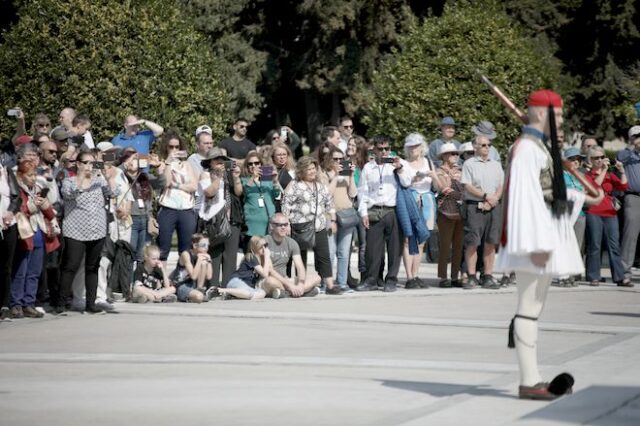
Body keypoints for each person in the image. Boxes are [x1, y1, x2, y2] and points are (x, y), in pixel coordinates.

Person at [496, 89, 604, 400]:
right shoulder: (527, 149)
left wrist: (583, 196)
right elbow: (524, 198)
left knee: (534, 307)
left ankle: (532, 378)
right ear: (541, 114)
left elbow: (549, 192)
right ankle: (530, 381)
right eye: (556, 116)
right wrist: (535, 242)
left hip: (543, 229)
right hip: (534, 235)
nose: (560, 121)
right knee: (528, 308)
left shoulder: (538, 147)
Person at [59, 150, 115, 314]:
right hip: (75, 230)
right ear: (78, 164)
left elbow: (113, 193)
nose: (90, 166)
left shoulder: (99, 181)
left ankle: (91, 304)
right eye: (86, 163)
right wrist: (82, 176)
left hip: (96, 230)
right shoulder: (69, 181)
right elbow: (70, 195)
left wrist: (106, 175)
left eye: (92, 163)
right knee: (71, 266)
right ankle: (61, 303)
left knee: (93, 267)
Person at [282, 156, 343, 295]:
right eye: (308, 169)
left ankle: (330, 285)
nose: (312, 171)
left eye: (313, 168)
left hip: (319, 226)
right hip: (300, 225)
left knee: (324, 256)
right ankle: (301, 285)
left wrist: (332, 220)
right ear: (301, 171)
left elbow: (329, 203)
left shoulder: (321, 186)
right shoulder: (295, 185)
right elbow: (286, 204)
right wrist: (287, 224)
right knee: (300, 257)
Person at [10, 161, 60, 318]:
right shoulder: (18, 191)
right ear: (20, 175)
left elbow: (50, 214)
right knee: (20, 271)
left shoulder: (37, 189)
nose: (32, 178)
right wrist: (32, 207)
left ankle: (29, 302)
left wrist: (45, 205)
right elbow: (19, 211)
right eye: (29, 175)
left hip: (40, 233)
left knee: (34, 272)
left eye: (34, 175)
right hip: (25, 234)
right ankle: (16, 303)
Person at [356, 136, 403, 292]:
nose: (384, 152)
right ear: (374, 150)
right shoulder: (368, 168)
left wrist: (400, 168)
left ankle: (391, 279)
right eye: (380, 149)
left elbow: (408, 182)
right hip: (374, 209)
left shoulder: (396, 165)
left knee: (394, 249)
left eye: (387, 149)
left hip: (392, 210)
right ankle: (372, 279)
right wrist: (363, 213)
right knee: (372, 249)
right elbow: (362, 192)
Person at [396, 133, 440, 289]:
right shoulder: (404, 163)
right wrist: (413, 180)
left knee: (421, 240)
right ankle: (409, 277)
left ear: (422, 147)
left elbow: (437, 187)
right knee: (409, 239)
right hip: (410, 199)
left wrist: (434, 176)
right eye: (410, 146)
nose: (413, 149)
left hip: (427, 201)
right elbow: (404, 184)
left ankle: (416, 275)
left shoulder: (429, 162)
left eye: (416, 146)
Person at [461, 134, 504, 290]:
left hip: (493, 206)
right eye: (484, 145)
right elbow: (467, 185)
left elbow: (500, 185)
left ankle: (487, 275)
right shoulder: (469, 164)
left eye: (489, 145)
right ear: (475, 147)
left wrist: (493, 200)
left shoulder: (496, 164)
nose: (487, 148)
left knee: (490, 242)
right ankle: (472, 275)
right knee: (472, 241)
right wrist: (485, 197)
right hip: (475, 206)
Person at [584, 146, 630, 286]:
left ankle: (619, 277)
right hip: (594, 212)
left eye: (601, 157)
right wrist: (604, 170)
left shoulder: (610, 175)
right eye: (596, 158)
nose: (599, 160)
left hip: (610, 213)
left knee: (614, 246)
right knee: (595, 245)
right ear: (590, 160)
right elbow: (594, 187)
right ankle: (593, 276)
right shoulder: (587, 175)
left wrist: (622, 171)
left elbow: (623, 186)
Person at [199, 147, 243, 287]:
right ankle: (212, 286)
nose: (220, 162)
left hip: (231, 218)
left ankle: (227, 287)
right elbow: (209, 192)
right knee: (215, 254)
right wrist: (218, 178)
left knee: (230, 256)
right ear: (210, 162)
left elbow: (239, 192)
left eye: (222, 159)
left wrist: (236, 178)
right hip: (214, 220)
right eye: (216, 160)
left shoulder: (229, 174)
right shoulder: (205, 175)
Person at [156, 131, 198, 263]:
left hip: (186, 208)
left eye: (177, 147)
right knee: (163, 248)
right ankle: (162, 279)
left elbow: (194, 186)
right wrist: (168, 163)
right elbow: (166, 183)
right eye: (171, 147)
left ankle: (183, 279)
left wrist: (177, 185)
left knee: (186, 249)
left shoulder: (186, 164)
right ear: (166, 147)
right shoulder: (161, 165)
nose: (174, 150)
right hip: (168, 208)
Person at [322, 145, 358, 292]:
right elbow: (327, 194)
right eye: (335, 159)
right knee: (330, 252)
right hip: (330, 216)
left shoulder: (347, 175)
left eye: (341, 159)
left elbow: (353, 194)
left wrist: (350, 176)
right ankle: (327, 284)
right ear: (329, 159)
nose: (338, 161)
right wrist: (336, 176)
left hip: (347, 215)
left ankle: (342, 283)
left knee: (344, 253)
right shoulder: (324, 174)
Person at [262, 213, 321, 298]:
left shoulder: (291, 243)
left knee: (317, 278)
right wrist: (290, 286)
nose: (283, 227)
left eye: (285, 225)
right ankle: (301, 292)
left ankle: (289, 292)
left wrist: (300, 283)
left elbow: (300, 266)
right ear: (272, 226)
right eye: (279, 225)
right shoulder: (265, 241)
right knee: (270, 281)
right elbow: (270, 271)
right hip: (269, 279)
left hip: (285, 280)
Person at [433, 142, 464, 288]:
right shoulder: (439, 171)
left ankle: (455, 277)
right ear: (445, 156)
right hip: (445, 212)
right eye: (452, 153)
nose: (455, 156)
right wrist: (461, 192)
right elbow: (443, 189)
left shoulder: (461, 170)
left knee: (458, 245)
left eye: (457, 153)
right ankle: (443, 277)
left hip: (460, 212)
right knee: (445, 245)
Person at [236, 150, 280, 246]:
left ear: (261, 164)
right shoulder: (245, 180)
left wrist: (275, 181)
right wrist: (253, 178)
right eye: (250, 164)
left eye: (256, 163)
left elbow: (277, 195)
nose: (253, 166)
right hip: (253, 222)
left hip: (270, 220)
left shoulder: (267, 180)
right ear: (247, 166)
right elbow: (245, 192)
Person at [617, 126, 640, 284]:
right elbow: (620, 159)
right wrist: (633, 147)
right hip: (633, 197)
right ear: (630, 138)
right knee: (630, 235)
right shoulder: (625, 153)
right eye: (636, 136)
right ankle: (624, 273)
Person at [216, 235, 270, 300]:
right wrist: (267, 256)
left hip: (245, 286)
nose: (264, 248)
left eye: (266, 245)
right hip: (237, 281)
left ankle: (232, 295)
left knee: (262, 293)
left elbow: (268, 271)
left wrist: (266, 258)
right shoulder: (251, 257)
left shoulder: (260, 259)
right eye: (262, 246)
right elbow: (265, 274)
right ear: (255, 247)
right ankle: (221, 290)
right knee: (250, 294)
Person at [0, 158, 21, 320]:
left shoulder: (6, 171)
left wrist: (11, 211)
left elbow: (17, 197)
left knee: (7, 266)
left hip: (8, 223)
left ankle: (4, 305)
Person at [170, 234, 213, 303]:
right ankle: (179, 296)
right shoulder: (186, 254)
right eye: (203, 245)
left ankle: (199, 290)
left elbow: (209, 276)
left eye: (208, 245)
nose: (206, 248)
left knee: (204, 263)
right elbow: (193, 276)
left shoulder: (202, 255)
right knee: (199, 297)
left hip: (193, 284)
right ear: (195, 245)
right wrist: (199, 260)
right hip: (181, 285)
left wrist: (209, 260)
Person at [271, 142, 295, 212]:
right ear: (273, 157)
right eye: (279, 155)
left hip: (288, 207)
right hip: (272, 205)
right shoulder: (269, 171)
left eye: (284, 154)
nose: (282, 157)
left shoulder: (293, 172)